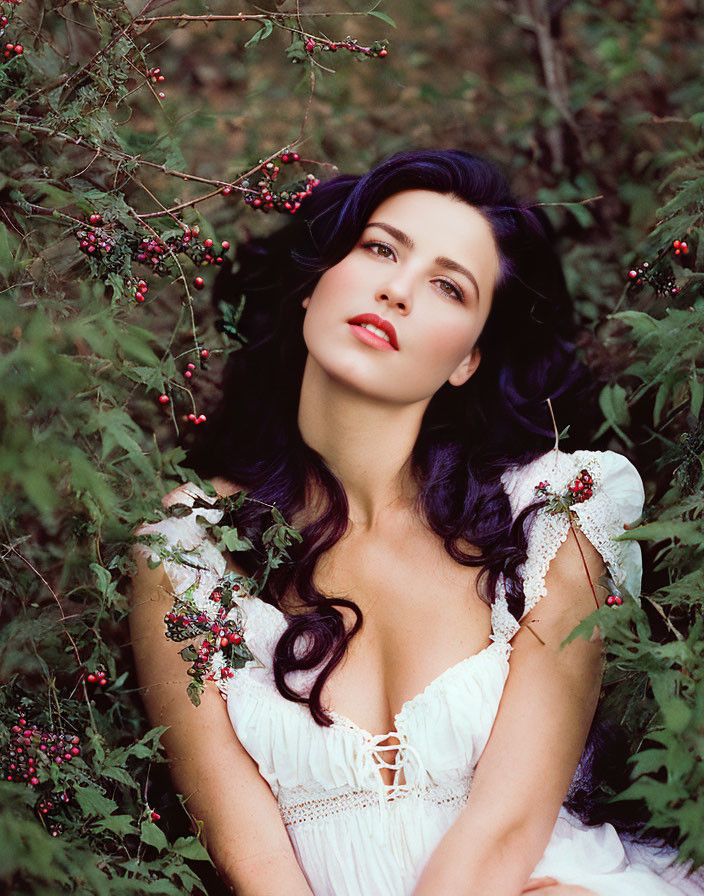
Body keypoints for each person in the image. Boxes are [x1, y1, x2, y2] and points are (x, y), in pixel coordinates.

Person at [128, 149, 704, 896]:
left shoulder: (559, 511)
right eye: (379, 248)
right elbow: (253, 859)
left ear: (468, 359)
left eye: (447, 286)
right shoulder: (190, 549)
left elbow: (505, 831)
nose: (397, 289)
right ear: (313, 286)